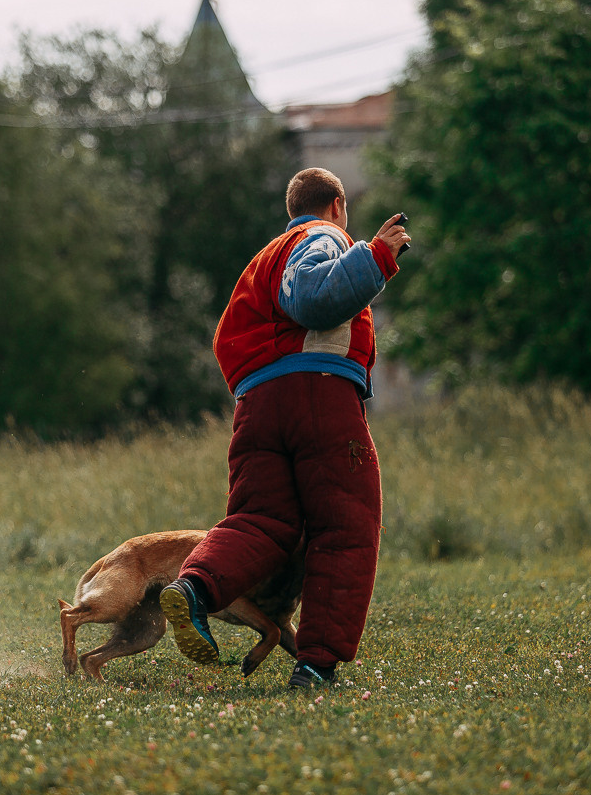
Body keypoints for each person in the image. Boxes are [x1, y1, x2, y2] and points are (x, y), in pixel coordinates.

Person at [160, 167, 410, 689]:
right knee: (346, 526)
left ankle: (193, 590)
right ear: (337, 205)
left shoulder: (260, 262)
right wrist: (377, 255)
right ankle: (316, 664)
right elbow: (313, 297)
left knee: (259, 520)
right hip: (317, 395)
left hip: (256, 406)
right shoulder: (320, 235)